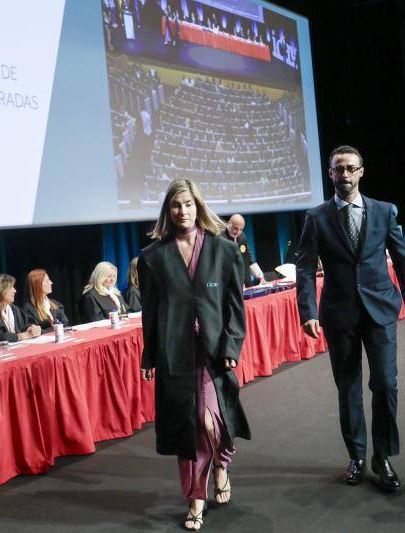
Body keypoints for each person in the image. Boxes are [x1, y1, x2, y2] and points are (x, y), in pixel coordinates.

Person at [296, 146, 405, 492]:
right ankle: (356, 456)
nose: (345, 175)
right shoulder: (316, 217)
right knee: (348, 389)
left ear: (362, 171)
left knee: (386, 384)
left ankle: (382, 457)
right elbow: (305, 269)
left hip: (380, 309)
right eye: (339, 170)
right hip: (339, 315)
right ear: (330, 174)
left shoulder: (383, 212)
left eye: (351, 168)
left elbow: (400, 256)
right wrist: (307, 312)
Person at [139, 179, 250, 531]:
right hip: (175, 355)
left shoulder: (224, 250)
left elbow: (234, 306)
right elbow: (150, 313)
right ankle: (195, 498)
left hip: (214, 353)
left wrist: (232, 346)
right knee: (189, 428)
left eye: (188, 204)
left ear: (198, 206)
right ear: (167, 211)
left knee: (209, 422)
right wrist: (149, 357)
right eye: (175, 206)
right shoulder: (152, 257)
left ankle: (221, 462)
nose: (182, 211)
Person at [0, 274, 41, 342]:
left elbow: (26, 324)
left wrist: (32, 329)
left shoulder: (14, 309)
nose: (15, 291)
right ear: (0, 291)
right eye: (11, 287)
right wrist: (19, 336)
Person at [222, 214, 266, 286]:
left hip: (246, 281)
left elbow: (248, 257)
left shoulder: (242, 237)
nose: (238, 232)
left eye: (241, 229)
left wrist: (261, 277)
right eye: (235, 228)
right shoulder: (221, 238)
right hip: (229, 283)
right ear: (229, 223)